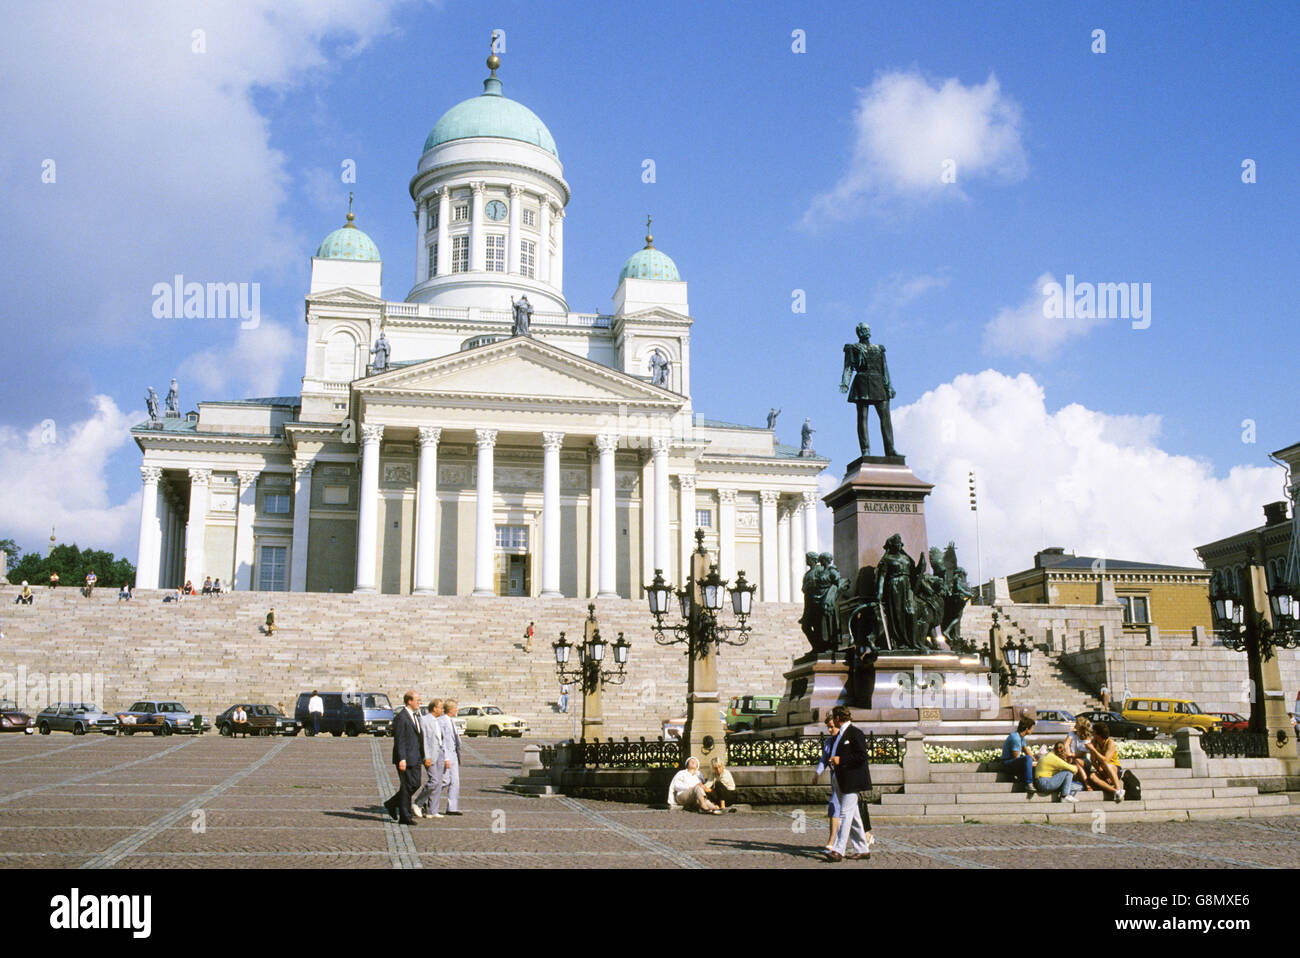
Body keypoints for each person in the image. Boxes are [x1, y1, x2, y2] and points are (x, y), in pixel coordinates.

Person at [823, 705, 873, 861]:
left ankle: (838, 850)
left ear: (838, 718)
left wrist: (841, 759)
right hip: (841, 778)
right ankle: (862, 849)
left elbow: (861, 756)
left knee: (845, 814)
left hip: (852, 780)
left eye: (834, 719)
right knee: (855, 816)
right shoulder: (840, 734)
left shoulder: (855, 732)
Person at [383, 691, 424, 826]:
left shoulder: (415, 716)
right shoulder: (401, 717)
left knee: (416, 784)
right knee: (406, 787)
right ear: (409, 701)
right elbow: (399, 740)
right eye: (417, 700)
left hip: (416, 757)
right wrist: (402, 758)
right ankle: (405, 817)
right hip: (405, 758)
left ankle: (391, 803)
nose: (420, 702)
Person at [413, 697, 446, 819]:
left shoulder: (439, 720)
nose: (443, 709)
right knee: (434, 781)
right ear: (434, 708)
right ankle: (418, 802)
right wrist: (426, 756)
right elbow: (425, 740)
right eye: (441, 707)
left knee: (439, 783)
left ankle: (432, 810)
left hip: (440, 753)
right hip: (430, 755)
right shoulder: (425, 720)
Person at [815, 714, 842, 854]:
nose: (830, 730)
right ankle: (866, 836)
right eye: (828, 727)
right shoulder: (829, 742)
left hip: (845, 779)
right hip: (835, 779)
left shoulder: (844, 740)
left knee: (834, 806)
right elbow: (824, 759)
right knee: (852, 813)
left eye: (832, 727)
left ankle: (832, 841)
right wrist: (817, 773)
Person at [1086, 722, 1124, 802]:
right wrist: (1102, 773)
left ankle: (1118, 788)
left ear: (1098, 734)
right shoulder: (1094, 742)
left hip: (1115, 768)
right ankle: (1115, 791)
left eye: (1093, 732)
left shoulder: (1110, 743)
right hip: (1103, 769)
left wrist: (1093, 749)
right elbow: (1093, 761)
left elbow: (1105, 760)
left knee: (1107, 764)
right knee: (1092, 776)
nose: (1092, 734)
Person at [437, 699, 462, 815]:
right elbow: (442, 741)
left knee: (455, 782)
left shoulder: (452, 720)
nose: (457, 709)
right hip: (446, 755)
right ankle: (425, 801)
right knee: (444, 781)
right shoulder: (442, 721)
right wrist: (446, 758)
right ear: (451, 709)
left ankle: (452, 808)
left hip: (454, 754)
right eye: (455, 707)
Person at [1001, 715, 1037, 794]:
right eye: (1032, 728)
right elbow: (1015, 757)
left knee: (1030, 759)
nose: (1033, 730)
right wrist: (1031, 762)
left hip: (1013, 762)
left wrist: (1035, 760)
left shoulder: (1021, 737)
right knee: (1027, 759)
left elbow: (1026, 750)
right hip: (1007, 764)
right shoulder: (1016, 738)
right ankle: (1029, 784)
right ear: (1027, 729)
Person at [1065, 716, 1093, 789]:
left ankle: (1087, 784)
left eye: (1076, 722)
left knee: (1076, 761)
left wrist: (1070, 755)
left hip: (1084, 760)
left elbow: (1081, 754)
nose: (1075, 724)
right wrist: (1068, 753)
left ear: (1080, 725)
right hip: (1071, 758)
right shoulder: (1072, 733)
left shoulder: (1087, 738)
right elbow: (1066, 744)